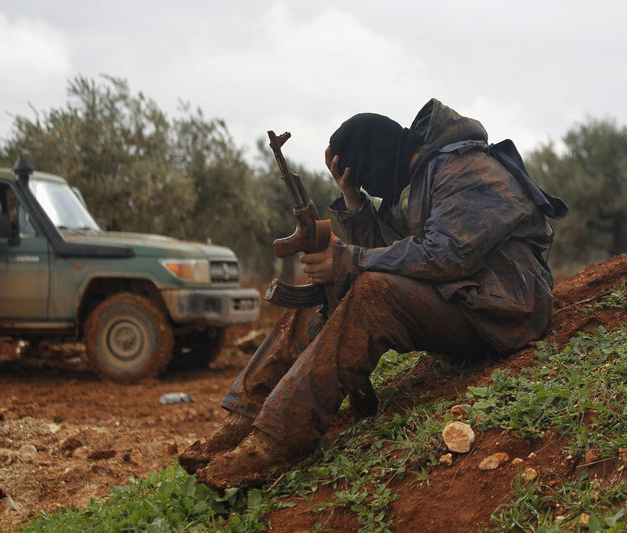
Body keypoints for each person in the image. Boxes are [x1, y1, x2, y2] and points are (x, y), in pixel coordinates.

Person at [180, 98, 560, 490]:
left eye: (364, 177)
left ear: (379, 158)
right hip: (467, 300)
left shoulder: (464, 167)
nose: (371, 185)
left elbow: (445, 256)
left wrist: (349, 259)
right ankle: (241, 421)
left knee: (370, 292)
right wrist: (353, 199)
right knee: (323, 296)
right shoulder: (419, 176)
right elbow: (394, 254)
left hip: (507, 308)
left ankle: (272, 442)